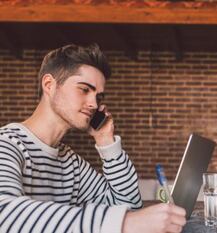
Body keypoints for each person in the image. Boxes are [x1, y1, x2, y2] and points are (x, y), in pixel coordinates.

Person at [0, 44, 186, 233]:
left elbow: (128, 205)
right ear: (49, 85)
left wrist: (106, 141)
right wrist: (123, 223)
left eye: (98, 96)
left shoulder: (71, 163)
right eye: (84, 89)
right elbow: (4, 215)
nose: (93, 104)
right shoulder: (7, 145)